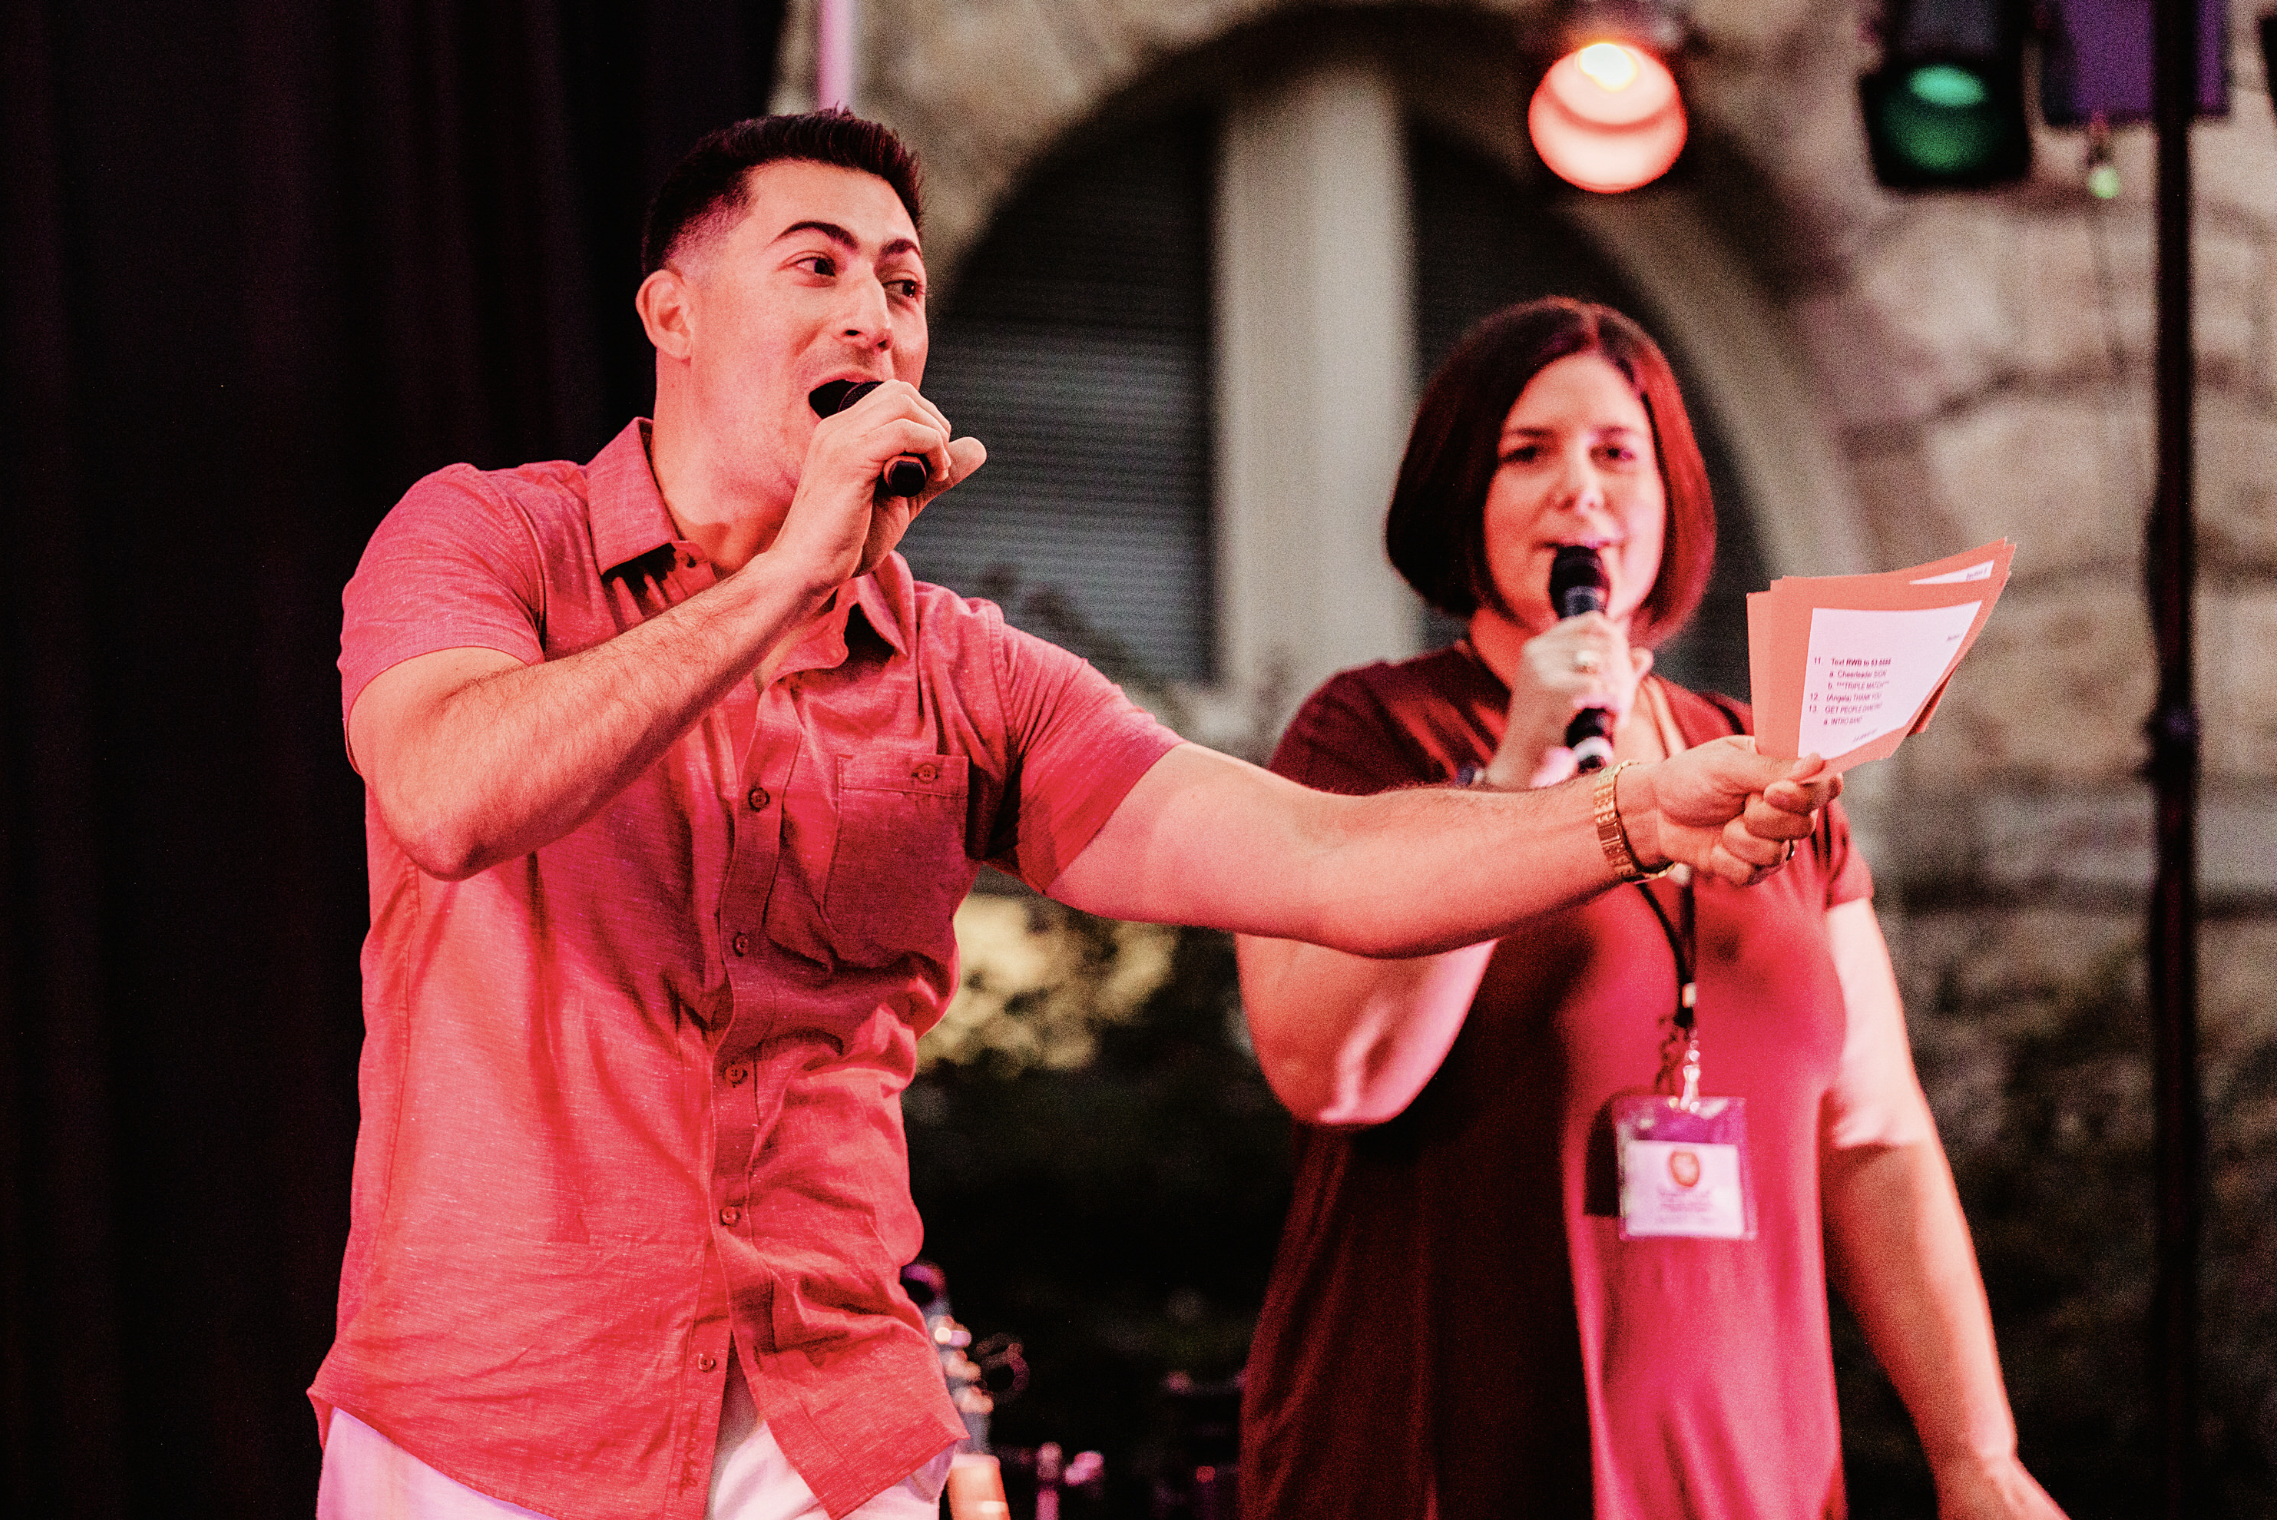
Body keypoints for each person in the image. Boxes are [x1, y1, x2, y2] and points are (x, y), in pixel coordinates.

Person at [313, 118, 1837, 1520]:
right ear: (673, 313)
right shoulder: (488, 537)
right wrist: (782, 577)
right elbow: (449, 794)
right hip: (486, 1418)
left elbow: (1315, 858)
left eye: (903, 285)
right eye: (820, 266)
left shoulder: (969, 677)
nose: (875, 314)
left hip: (820, 1425)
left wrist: (1633, 814)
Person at [1234, 298, 2067, 1520]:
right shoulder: (1372, 733)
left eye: (1617, 453)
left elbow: (1874, 1136)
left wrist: (1974, 1453)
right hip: (1440, 1457)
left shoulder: (1762, 761)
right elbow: (1333, 1071)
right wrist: (1513, 774)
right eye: (1529, 452)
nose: (1581, 489)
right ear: (1460, 493)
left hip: (1746, 1467)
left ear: (1670, 495)